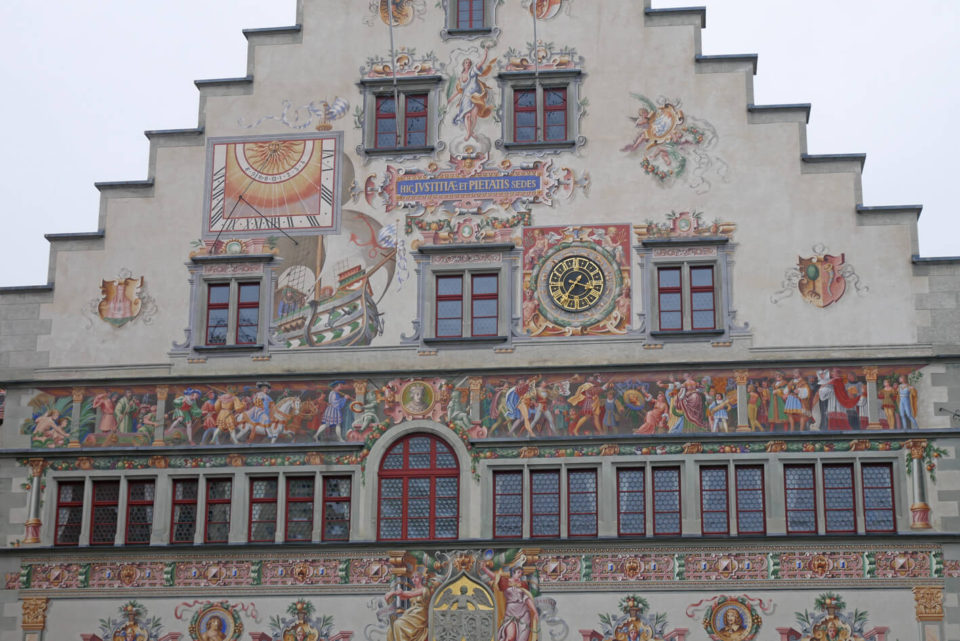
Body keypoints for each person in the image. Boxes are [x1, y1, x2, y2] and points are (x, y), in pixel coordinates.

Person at [448, 47, 496, 142]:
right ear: (463, 64)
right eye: (466, 62)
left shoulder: (473, 71)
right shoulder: (461, 76)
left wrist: (485, 54)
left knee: (474, 116)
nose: (468, 64)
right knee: (467, 116)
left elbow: (481, 63)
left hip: (476, 96)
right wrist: (451, 98)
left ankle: (471, 132)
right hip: (466, 97)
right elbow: (460, 90)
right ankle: (469, 133)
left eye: (469, 63)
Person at [480, 564, 537, 641]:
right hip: (510, 613)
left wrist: (535, 611)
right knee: (510, 637)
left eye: (521, 573)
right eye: (518, 572)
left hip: (523, 613)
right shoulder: (505, 582)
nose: (520, 575)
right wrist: (484, 568)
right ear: (513, 573)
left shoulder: (523, 585)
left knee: (522, 639)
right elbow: (494, 577)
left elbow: (527, 599)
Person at [384, 571, 431, 641]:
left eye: (416, 577)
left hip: (420, 615)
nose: (414, 579)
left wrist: (395, 593)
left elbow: (410, 594)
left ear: (421, 578)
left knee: (398, 623)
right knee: (392, 628)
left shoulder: (425, 590)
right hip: (412, 614)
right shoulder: (413, 590)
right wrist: (397, 593)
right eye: (412, 578)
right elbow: (403, 596)